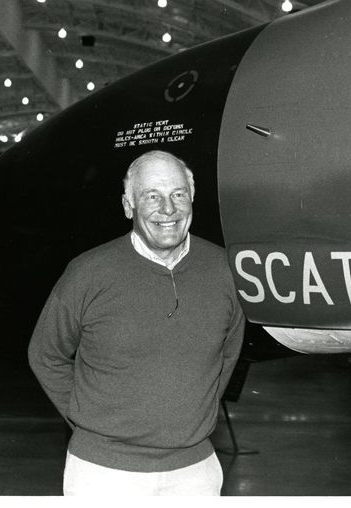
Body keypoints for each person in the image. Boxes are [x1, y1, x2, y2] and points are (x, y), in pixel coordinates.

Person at [28, 150, 245, 496]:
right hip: (102, 474)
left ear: (192, 198)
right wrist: (92, 422)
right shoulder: (87, 273)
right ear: (128, 206)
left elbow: (227, 355)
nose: (168, 209)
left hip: (195, 474)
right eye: (152, 196)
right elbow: (45, 354)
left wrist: (190, 417)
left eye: (178, 194)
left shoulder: (224, 271)